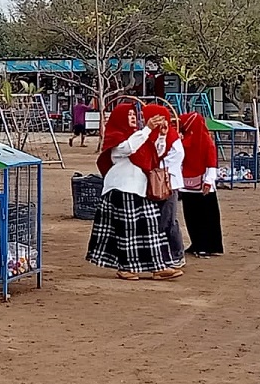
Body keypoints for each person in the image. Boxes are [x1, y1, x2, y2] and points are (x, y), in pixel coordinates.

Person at [86, 103, 182, 281]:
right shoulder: (117, 137)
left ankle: (158, 266)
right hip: (122, 188)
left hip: (141, 188)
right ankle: (127, 267)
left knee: (151, 226)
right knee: (128, 230)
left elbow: (156, 154)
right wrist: (147, 129)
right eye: (129, 114)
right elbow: (129, 148)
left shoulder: (139, 136)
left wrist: (161, 136)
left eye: (133, 114)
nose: (132, 117)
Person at [178, 112, 224, 258]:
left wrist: (209, 181)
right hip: (188, 186)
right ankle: (197, 243)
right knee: (191, 218)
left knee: (206, 217)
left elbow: (211, 162)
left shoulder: (206, 140)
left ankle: (207, 245)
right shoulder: (184, 140)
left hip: (203, 186)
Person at [144, 103, 184, 270]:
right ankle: (163, 255)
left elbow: (159, 157)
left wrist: (161, 137)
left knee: (167, 221)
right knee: (160, 221)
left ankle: (176, 254)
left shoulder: (170, 137)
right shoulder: (156, 136)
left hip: (168, 184)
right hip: (158, 183)